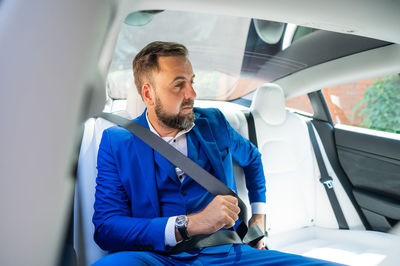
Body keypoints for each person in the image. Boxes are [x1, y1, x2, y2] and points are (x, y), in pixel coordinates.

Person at [93, 41, 341, 265]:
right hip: (156, 258)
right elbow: (107, 229)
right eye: (179, 85)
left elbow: (252, 158)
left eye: (192, 82)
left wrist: (259, 216)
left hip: (229, 254)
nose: (192, 94)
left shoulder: (213, 123)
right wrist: (188, 224)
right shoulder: (117, 142)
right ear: (148, 94)